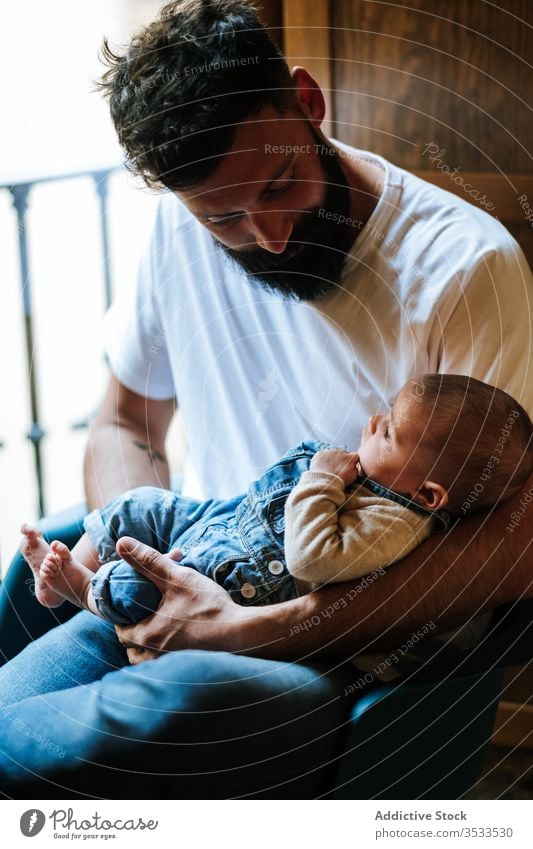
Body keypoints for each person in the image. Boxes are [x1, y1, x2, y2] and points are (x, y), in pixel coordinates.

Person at [0, 0, 532, 797]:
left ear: (307, 103)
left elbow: (515, 544)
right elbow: (125, 418)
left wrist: (250, 631)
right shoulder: (177, 234)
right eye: (225, 218)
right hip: (191, 577)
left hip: (334, 649)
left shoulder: (461, 269)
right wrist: (143, 567)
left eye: (282, 183)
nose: (271, 234)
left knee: (80, 746)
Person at [19, 375, 532, 636]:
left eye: (390, 430)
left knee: (141, 589)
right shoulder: (379, 481)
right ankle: (83, 560)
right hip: (226, 521)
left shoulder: (394, 524)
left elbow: (311, 559)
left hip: (244, 577)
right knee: (143, 504)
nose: (374, 422)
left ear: (427, 495)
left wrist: (320, 483)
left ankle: (81, 588)